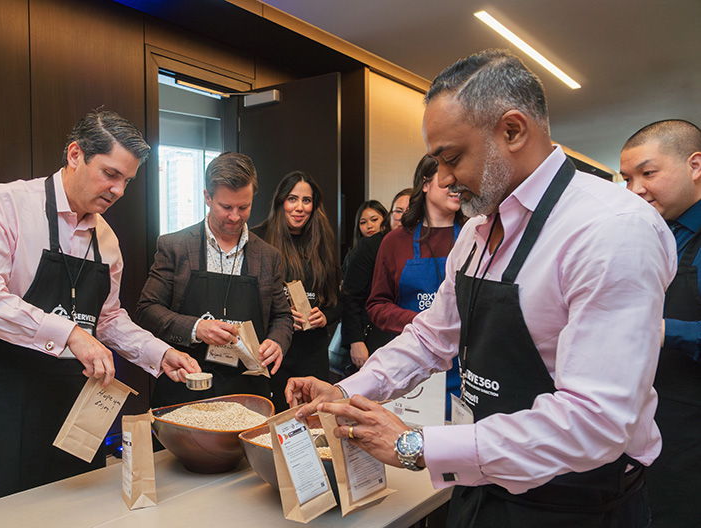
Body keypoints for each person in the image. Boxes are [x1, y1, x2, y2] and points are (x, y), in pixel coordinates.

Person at [287, 49, 675, 527]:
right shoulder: (475, 233)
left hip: (573, 503)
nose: (445, 180)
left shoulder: (610, 229)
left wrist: (418, 444)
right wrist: (344, 391)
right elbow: (432, 338)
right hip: (481, 484)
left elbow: (595, 421)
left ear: (512, 131)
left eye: (452, 158)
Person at [0, 110, 200, 506]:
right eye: (110, 174)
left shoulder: (107, 240)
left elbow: (108, 318)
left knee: (77, 511)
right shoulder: (6, 204)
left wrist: (160, 352)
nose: (118, 190)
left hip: (75, 403)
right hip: (4, 400)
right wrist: (69, 334)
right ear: (74, 155)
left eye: (127, 181)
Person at [135, 152, 292, 408]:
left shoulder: (268, 256)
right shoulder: (175, 247)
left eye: (244, 207)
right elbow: (147, 310)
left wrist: (277, 341)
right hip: (185, 383)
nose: (235, 217)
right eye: (226, 207)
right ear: (207, 197)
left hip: (248, 391)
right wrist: (197, 328)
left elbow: (282, 316)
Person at [619, 119, 701, 528]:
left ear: (695, 166)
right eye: (627, 179)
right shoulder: (645, 234)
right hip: (640, 429)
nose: (635, 189)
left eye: (648, 173)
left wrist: (665, 330)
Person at [366, 155, 463, 414]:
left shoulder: (474, 237)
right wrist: (420, 322)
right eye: (447, 181)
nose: (456, 188)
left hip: (462, 368)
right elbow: (377, 305)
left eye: (459, 181)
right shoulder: (395, 242)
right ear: (425, 184)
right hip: (410, 365)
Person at [253, 171, 342, 411]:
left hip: (313, 351)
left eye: (306, 200)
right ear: (281, 201)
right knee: (276, 419)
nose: (300, 207)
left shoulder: (322, 241)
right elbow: (248, 299)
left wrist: (325, 316)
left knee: (314, 420)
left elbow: (338, 300)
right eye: (292, 199)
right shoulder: (258, 239)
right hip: (274, 351)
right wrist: (280, 316)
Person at [340, 188, 412, 374]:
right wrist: (355, 341)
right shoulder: (371, 245)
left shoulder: (422, 247)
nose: (403, 217)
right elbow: (351, 296)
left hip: (407, 340)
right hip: (373, 337)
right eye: (398, 211)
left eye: (410, 211)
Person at [341, 200, 387, 274]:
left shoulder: (392, 248)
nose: (369, 226)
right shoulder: (352, 252)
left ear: (386, 219)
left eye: (374, 220)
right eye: (363, 222)